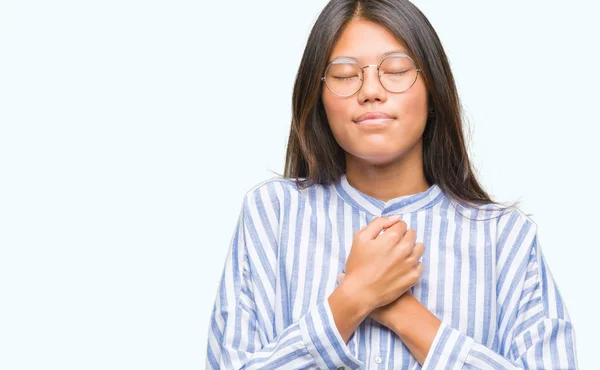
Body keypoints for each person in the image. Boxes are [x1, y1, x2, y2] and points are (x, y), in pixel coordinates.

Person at [205, 0, 578, 368]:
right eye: (345, 75)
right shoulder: (273, 214)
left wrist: (406, 314)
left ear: (433, 90)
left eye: (396, 70)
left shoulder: (505, 238)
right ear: (318, 98)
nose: (370, 90)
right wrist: (351, 299)